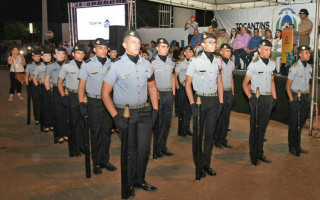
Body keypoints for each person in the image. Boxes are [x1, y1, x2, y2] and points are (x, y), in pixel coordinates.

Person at [101, 30, 159, 199]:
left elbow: (152, 87)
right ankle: (128, 184)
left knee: (144, 149)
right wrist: (115, 116)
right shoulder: (116, 66)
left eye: (139, 42)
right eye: (133, 42)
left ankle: (139, 179)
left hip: (144, 111)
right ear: (125, 45)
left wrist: (155, 109)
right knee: (130, 150)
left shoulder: (147, 64)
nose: (137, 45)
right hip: (124, 113)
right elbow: (105, 94)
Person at [186, 33, 224, 178]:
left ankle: (206, 164)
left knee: (209, 135)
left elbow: (219, 82)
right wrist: (192, 104)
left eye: (215, 42)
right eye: (210, 42)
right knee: (197, 135)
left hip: (213, 100)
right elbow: (188, 84)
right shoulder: (195, 61)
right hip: (199, 100)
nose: (214, 44)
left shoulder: (218, 61)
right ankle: (198, 165)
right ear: (202, 45)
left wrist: (220, 102)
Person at [78, 38, 116, 175]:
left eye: (106, 48)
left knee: (106, 132)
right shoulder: (87, 64)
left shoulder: (112, 64)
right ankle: (96, 162)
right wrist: (81, 103)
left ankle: (105, 160)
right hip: (94, 102)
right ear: (94, 49)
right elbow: (81, 86)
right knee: (96, 133)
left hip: (108, 103)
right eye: (100, 48)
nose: (104, 51)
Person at [242, 39, 277, 166]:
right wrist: (250, 97)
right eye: (266, 49)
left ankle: (260, 152)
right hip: (256, 98)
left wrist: (274, 97)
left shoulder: (272, 64)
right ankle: (253, 155)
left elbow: (272, 81)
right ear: (260, 50)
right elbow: (245, 84)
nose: (269, 52)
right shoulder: (253, 65)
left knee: (262, 128)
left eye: (270, 50)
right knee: (255, 128)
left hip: (268, 99)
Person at [58, 44, 86, 156]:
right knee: (74, 123)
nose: (81, 55)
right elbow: (60, 82)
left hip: (85, 96)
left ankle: (83, 145)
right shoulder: (67, 66)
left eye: (83, 53)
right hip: (73, 96)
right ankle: (75, 148)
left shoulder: (87, 65)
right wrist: (63, 96)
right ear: (73, 54)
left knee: (84, 123)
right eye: (78, 53)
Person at [152, 38, 176, 158]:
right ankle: (156, 149)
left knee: (167, 122)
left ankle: (163, 146)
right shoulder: (152, 63)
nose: (165, 49)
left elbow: (173, 77)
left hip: (168, 94)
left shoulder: (171, 62)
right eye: (162, 47)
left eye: (166, 47)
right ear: (157, 48)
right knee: (158, 123)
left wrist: (173, 93)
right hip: (158, 94)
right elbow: (150, 82)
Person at [286, 45, 311, 156]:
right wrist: (291, 99)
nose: (309, 55)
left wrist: (309, 96)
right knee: (294, 123)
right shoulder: (295, 67)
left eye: (309, 53)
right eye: (306, 53)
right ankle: (292, 146)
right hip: (296, 95)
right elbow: (288, 85)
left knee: (300, 123)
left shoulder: (309, 67)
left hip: (305, 97)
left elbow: (308, 83)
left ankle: (298, 145)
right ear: (300, 54)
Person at [213, 44, 235, 149]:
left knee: (226, 117)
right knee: (218, 116)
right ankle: (216, 139)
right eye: (226, 51)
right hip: (219, 92)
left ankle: (223, 139)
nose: (229, 53)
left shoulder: (231, 63)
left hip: (228, 92)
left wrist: (232, 90)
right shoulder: (217, 62)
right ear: (221, 52)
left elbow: (231, 77)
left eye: (230, 51)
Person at [44, 47, 67, 143]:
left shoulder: (69, 65)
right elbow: (46, 80)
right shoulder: (50, 66)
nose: (61, 55)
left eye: (62, 53)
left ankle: (66, 133)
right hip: (56, 90)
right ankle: (60, 134)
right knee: (58, 113)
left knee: (67, 113)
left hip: (67, 89)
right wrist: (49, 92)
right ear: (54, 55)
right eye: (58, 53)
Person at [175, 46, 194, 137]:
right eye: (189, 52)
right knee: (182, 111)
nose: (191, 53)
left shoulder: (195, 63)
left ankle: (187, 129)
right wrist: (178, 87)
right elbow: (175, 76)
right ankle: (180, 130)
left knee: (189, 110)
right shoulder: (181, 64)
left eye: (192, 52)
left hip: (192, 89)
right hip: (183, 89)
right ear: (185, 53)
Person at [33, 49, 53, 132]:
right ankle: (46, 124)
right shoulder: (39, 67)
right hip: (43, 88)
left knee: (52, 107)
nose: (47, 57)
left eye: (49, 55)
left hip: (52, 87)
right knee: (45, 107)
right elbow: (34, 79)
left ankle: (52, 123)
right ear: (42, 57)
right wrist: (38, 88)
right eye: (45, 55)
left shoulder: (53, 65)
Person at [25, 50, 42, 124]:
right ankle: (37, 117)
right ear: (32, 57)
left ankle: (43, 117)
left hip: (41, 83)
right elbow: (26, 77)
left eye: (38, 56)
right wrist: (27, 86)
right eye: (35, 56)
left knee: (43, 102)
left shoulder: (43, 64)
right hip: (33, 84)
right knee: (35, 102)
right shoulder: (29, 65)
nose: (37, 58)